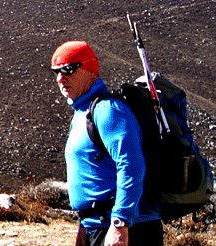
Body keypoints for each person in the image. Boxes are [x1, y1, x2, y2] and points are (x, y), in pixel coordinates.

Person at [52, 41, 162, 246]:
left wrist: (121, 222)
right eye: (56, 72)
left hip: (129, 229)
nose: (60, 78)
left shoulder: (109, 110)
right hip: (97, 226)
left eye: (68, 69)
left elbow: (131, 165)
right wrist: (85, 224)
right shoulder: (83, 113)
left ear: (91, 70)